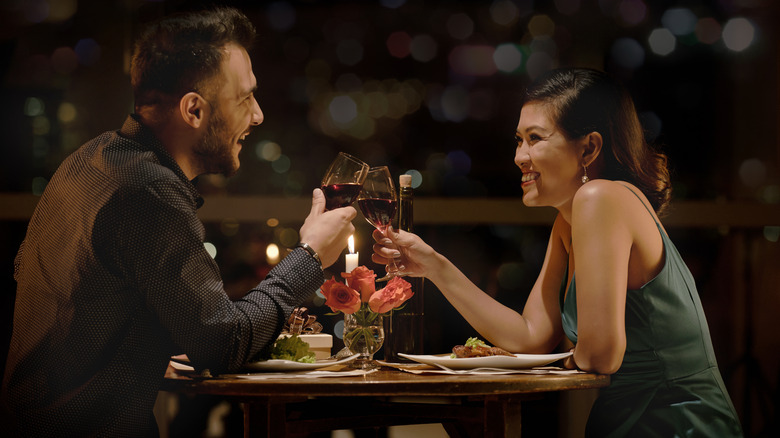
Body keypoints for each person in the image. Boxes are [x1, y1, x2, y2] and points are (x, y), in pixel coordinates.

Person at [1, 6, 356, 437]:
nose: (258, 115)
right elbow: (224, 344)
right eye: (244, 98)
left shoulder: (90, 160)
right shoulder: (149, 192)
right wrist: (311, 254)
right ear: (193, 110)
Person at [372, 68, 743, 437]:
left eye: (535, 138)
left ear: (589, 148)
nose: (519, 156)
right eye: (519, 140)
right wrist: (434, 265)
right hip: (625, 422)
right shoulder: (569, 222)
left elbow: (601, 355)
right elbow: (530, 337)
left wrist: (566, 359)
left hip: (676, 424)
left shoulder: (600, 198)